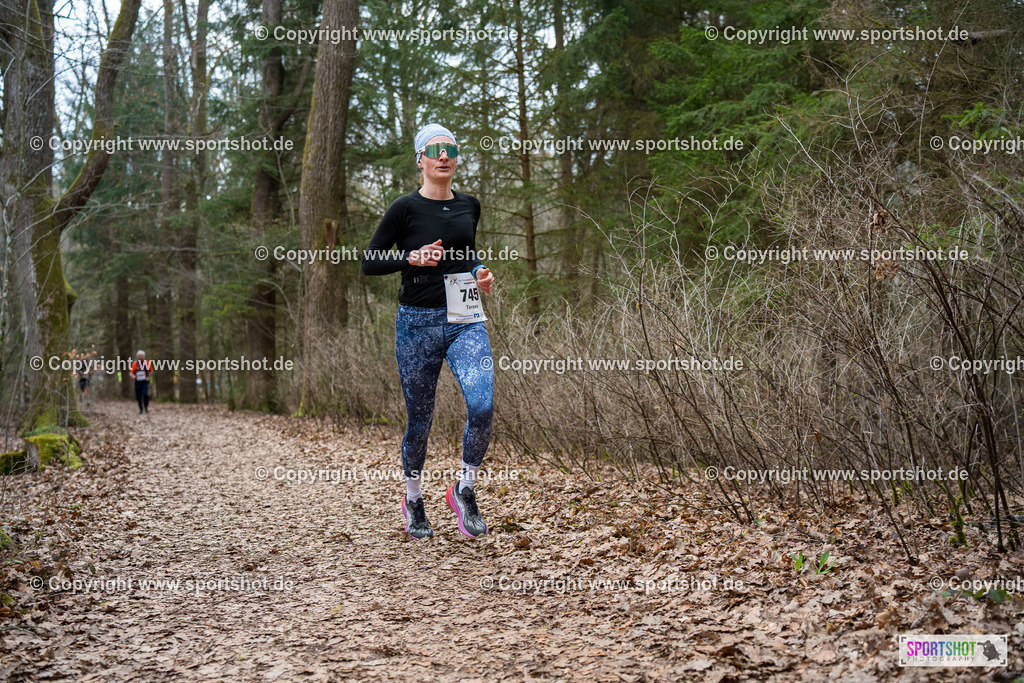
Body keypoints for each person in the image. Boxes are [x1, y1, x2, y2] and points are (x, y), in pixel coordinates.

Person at [361, 123, 495, 540]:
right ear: (420, 158)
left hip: (465, 318)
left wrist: (479, 271)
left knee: (482, 405)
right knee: (420, 419)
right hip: (417, 322)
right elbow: (369, 262)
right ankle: (414, 499)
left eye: (450, 149)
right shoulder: (404, 208)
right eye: (434, 149)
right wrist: (410, 258)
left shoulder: (470, 205)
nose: (443, 156)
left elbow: (465, 251)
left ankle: (465, 489)